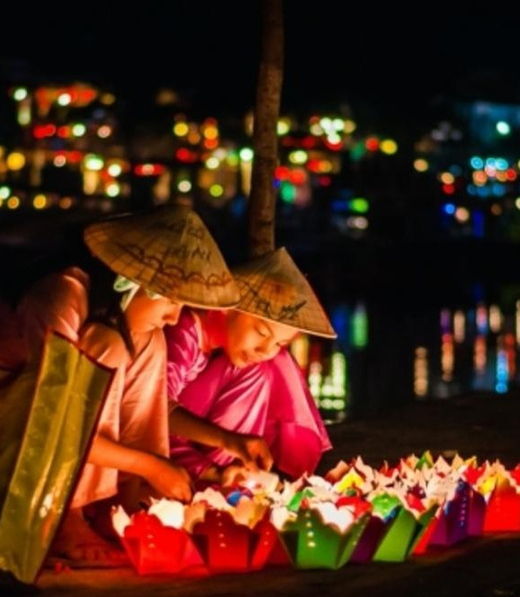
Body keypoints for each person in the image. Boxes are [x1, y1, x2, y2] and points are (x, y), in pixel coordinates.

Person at [0, 205, 239, 562]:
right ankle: (66, 515)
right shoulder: (60, 297)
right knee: (110, 345)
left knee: (147, 339)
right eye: (171, 300)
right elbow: (53, 423)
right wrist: (153, 466)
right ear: (131, 282)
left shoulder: (122, 320)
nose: (175, 317)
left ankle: (123, 502)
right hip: (18, 420)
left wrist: (155, 468)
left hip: (47, 426)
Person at [165, 247, 337, 483]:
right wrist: (228, 439)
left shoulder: (222, 350)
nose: (266, 350)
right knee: (253, 368)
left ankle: (232, 473)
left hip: (183, 436)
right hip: (157, 436)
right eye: (261, 332)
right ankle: (217, 474)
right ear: (228, 307)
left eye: (280, 343)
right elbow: (156, 409)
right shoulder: (184, 330)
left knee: (267, 366)